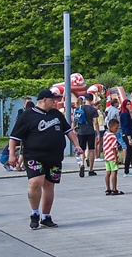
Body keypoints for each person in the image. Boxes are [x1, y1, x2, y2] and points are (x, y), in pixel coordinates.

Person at [9, 89, 82, 230]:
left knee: (49, 185)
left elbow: (68, 131)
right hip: (34, 156)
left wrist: (77, 145)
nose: (55, 102)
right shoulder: (27, 116)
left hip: (54, 156)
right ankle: (34, 214)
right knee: (36, 182)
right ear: (43, 100)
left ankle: (46, 216)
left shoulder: (56, 115)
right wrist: (12, 154)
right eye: (52, 100)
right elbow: (14, 137)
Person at [75, 93, 100, 177]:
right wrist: (98, 133)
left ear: (85, 99)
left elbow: (75, 120)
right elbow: (95, 122)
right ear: (92, 100)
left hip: (81, 131)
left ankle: (82, 164)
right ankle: (91, 169)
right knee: (91, 149)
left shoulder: (79, 108)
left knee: (82, 149)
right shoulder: (93, 110)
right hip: (90, 131)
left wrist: (75, 130)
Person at [101, 118, 123, 195]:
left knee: (108, 172)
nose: (116, 130)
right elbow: (114, 147)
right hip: (112, 156)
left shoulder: (105, 134)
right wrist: (116, 158)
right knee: (114, 172)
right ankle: (114, 188)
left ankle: (108, 188)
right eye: (116, 128)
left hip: (107, 156)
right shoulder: (112, 136)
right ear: (110, 127)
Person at [119, 99, 132, 176]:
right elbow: (125, 127)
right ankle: (126, 171)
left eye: (130, 104)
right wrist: (129, 138)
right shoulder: (123, 114)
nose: (129, 106)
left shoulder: (128, 113)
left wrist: (131, 113)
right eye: (127, 104)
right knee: (129, 153)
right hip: (127, 135)